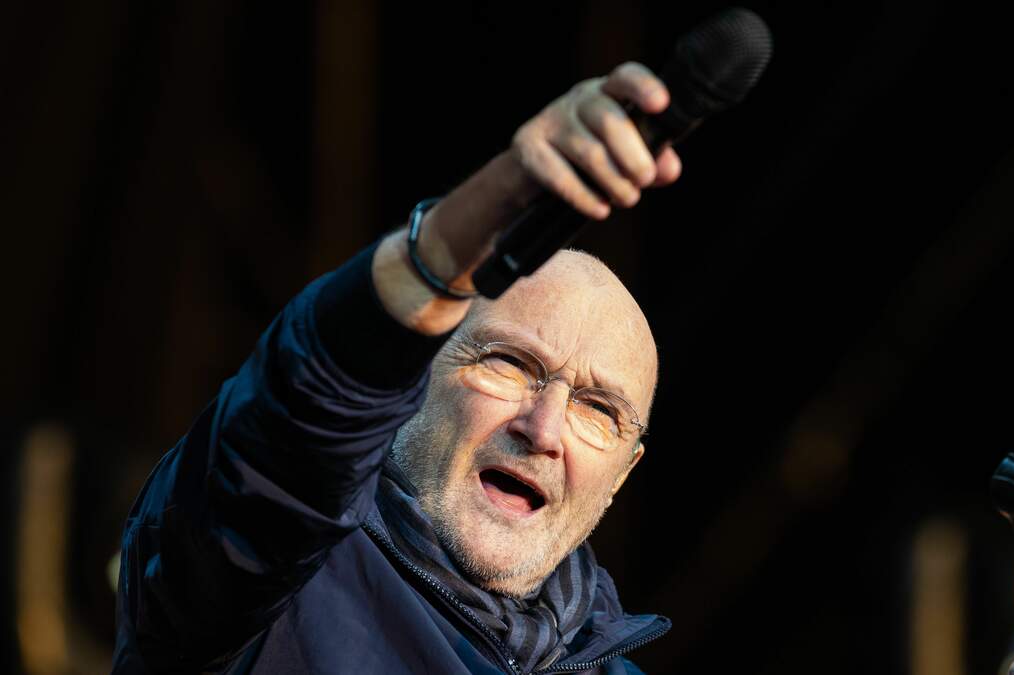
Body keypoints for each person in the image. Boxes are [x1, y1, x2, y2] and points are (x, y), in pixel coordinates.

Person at [114, 60, 683, 674]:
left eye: (598, 410)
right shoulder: (269, 580)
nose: (543, 430)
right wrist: (454, 236)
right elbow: (279, 448)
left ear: (623, 474)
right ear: (416, 375)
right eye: (510, 364)